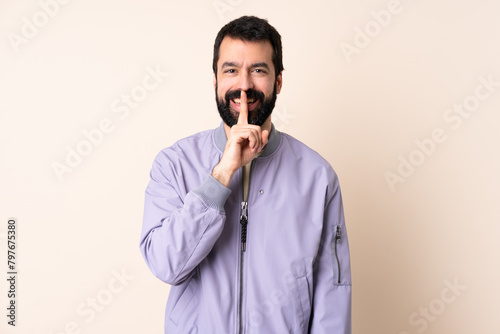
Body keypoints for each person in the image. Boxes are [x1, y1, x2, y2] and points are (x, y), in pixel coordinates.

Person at [140, 15, 352, 333]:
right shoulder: (174, 164)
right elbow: (166, 265)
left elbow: (332, 298)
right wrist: (223, 174)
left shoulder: (317, 177)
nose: (244, 85)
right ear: (215, 80)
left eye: (258, 70)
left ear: (278, 81)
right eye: (231, 70)